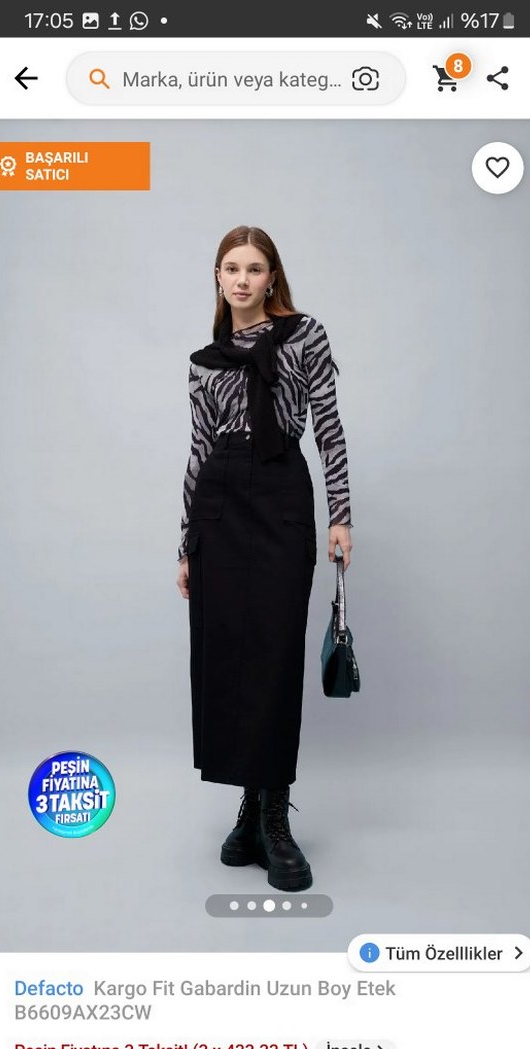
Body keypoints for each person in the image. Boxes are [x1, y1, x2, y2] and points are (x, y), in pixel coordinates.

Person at [177, 225, 352, 892]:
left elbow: (328, 426)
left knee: (274, 656)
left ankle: (275, 818)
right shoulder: (205, 361)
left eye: (254, 268)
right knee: (226, 654)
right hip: (220, 500)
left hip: (281, 493)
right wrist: (185, 544)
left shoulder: (304, 335)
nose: (242, 279)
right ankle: (248, 811)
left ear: (272, 277)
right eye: (231, 268)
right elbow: (199, 449)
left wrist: (340, 514)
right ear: (218, 278)